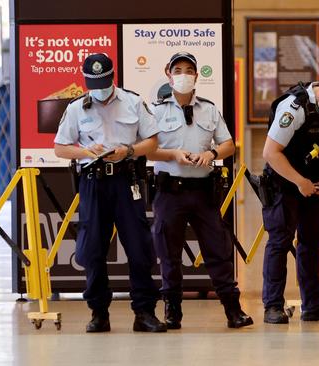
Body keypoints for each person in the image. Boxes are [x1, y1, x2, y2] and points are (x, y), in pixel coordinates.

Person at [54, 53, 167, 333]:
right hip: (93, 183)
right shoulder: (77, 107)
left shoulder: (133, 101)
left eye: (104, 82)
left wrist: (127, 151)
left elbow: (152, 141)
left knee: (139, 248)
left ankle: (144, 312)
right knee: (92, 249)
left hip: (126, 181)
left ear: (113, 77)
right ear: (86, 81)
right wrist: (84, 152)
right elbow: (60, 147)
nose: (100, 88)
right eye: (94, 83)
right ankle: (99, 312)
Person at [148, 51, 253, 329]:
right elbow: (146, 151)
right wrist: (172, 155)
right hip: (170, 191)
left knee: (217, 250)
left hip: (204, 191)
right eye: (178, 69)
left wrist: (213, 153)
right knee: (169, 253)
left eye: (189, 70)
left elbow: (228, 144)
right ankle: (172, 310)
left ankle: (233, 309)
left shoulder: (209, 109)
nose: (183, 75)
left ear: (197, 75)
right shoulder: (155, 111)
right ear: (169, 74)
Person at [260, 76, 319, 324]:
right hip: (283, 181)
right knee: (279, 241)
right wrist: (299, 182)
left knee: (311, 242)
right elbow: (270, 152)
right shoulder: (294, 107)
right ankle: (273, 306)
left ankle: (313, 305)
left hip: (312, 182)